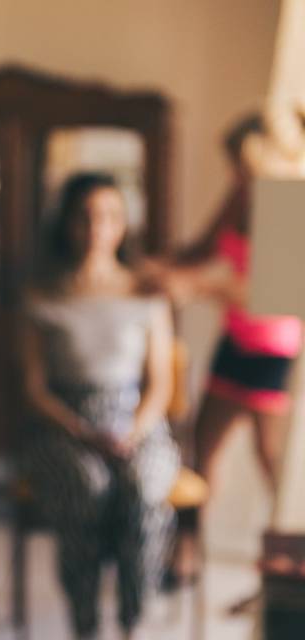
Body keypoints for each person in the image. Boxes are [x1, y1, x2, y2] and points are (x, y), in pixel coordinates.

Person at [20, 173, 180, 640]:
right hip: (63, 424)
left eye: (110, 216)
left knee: (142, 488)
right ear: (67, 223)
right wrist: (82, 430)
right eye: (85, 216)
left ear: (124, 223)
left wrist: (133, 430)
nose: (97, 227)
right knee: (86, 486)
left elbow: (161, 382)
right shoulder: (42, 294)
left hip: (137, 421)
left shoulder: (146, 290)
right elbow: (34, 387)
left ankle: (134, 620)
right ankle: (85, 624)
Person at [146, 114, 302, 496]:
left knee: (269, 454)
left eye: (242, 165)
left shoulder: (288, 204)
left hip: (272, 348)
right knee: (203, 445)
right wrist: (154, 268)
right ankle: (188, 547)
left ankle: (294, 544)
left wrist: (195, 286)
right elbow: (201, 249)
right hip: (234, 337)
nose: (236, 174)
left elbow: (270, 294)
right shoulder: (239, 197)